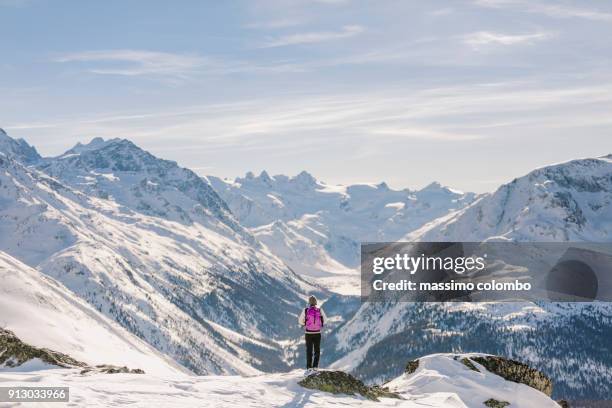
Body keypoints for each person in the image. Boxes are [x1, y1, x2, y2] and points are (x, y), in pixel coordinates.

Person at [298, 295, 327, 372]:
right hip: (317, 333)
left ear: (309, 303)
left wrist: (305, 324)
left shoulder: (305, 310)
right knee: (317, 350)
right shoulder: (320, 310)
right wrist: (320, 325)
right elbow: (325, 320)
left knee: (309, 350)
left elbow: (300, 321)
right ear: (316, 302)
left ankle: (309, 367)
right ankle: (315, 367)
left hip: (308, 333)